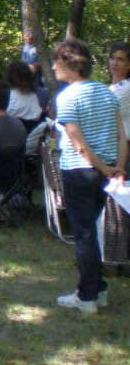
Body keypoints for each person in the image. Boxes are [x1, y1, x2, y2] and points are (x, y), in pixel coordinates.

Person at [52, 39, 125, 314]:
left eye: (56, 62)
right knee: (90, 231)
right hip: (103, 171)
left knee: (83, 235)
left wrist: (109, 169)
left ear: (68, 64)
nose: (53, 67)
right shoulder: (107, 94)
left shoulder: (68, 97)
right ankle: (99, 288)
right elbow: (122, 136)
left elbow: (79, 144)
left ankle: (87, 296)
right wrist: (117, 167)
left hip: (80, 171)